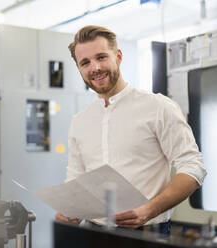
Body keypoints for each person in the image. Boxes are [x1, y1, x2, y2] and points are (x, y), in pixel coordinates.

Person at [55, 25, 206, 234]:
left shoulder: (158, 107)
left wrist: (150, 210)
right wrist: (72, 209)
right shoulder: (80, 121)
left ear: (118, 56)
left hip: (148, 232)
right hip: (94, 232)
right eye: (85, 62)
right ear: (79, 69)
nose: (95, 68)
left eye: (101, 57)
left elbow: (193, 167)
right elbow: (76, 177)